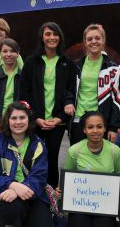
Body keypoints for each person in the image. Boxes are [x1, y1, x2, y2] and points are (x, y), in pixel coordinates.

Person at [20, 22, 76, 188]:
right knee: (32, 156)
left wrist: (59, 119)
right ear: (42, 38)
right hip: (35, 120)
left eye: (55, 34)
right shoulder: (31, 62)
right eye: (48, 34)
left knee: (52, 157)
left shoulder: (67, 63)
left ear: (60, 37)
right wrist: (35, 118)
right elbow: (24, 93)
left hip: (57, 122)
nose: (52, 37)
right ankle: (31, 191)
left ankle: (51, 196)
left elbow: (70, 92)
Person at [0, 101, 54, 227]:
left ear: (29, 119)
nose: (18, 122)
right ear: (7, 121)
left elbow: (40, 176)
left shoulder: (38, 144)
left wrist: (19, 190)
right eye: (13, 118)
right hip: (4, 191)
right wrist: (12, 185)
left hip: (33, 192)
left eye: (22, 117)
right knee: (12, 210)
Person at [61, 111, 120, 227]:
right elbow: (66, 180)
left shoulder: (115, 151)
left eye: (99, 126)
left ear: (105, 128)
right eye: (90, 127)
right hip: (79, 205)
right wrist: (61, 191)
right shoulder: (75, 150)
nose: (95, 130)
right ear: (84, 130)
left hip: (106, 205)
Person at [70, 24, 120, 146]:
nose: (94, 41)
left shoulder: (113, 68)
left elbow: (117, 99)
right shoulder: (76, 66)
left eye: (97, 38)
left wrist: (113, 127)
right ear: (85, 42)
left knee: (100, 160)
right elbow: (69, 91)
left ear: (103, 40)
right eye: (89, 39)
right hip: (78, 120)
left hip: (100, 122)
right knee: (78, 159)